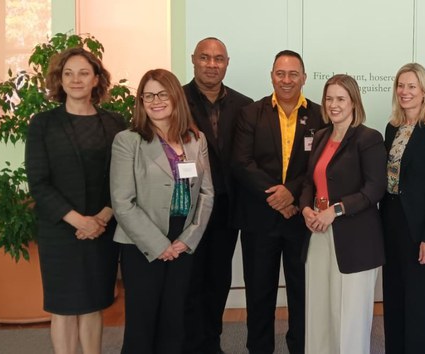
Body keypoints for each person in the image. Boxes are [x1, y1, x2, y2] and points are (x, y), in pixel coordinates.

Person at [25, 47, 126, 354]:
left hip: (102, 229)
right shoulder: (43, 124)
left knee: (94, 305)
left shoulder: (115, 123)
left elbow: (122, 178)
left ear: (97, 79)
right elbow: (38, 183)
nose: (75, 80)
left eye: (83, 73)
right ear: (59, 80)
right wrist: (79, 220)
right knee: (64, 309)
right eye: (68, 73)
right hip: (60, 231)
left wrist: (102, 218)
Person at [110, 69, 214, 354]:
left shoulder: (195, 139)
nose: (155, 101)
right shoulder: (127, 141)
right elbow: (122, 201)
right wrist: (159, 245)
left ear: (175, 97)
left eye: (162, 93)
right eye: (148, 95)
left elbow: (207, 193)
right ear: (141, 101)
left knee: (175, 320)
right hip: (142, 244)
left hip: (182, 242)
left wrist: (188, 239)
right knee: (142, 323)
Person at [232, 50, 324, 354]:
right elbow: (242, 163)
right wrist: (277, 196)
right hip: (260, 219)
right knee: (259, 295)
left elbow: (318, 164)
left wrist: (292, 194)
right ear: (272, 75)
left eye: (293, 74)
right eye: (280, 73)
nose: (286, 80)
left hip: (301, 218)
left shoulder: (320, 115)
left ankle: (301, 348)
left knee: (302, 293)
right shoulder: (251, 113)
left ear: (304, 77)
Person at [299, 74, 386, 354]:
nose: (333, 105)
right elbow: (308, 182)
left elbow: (374, 189)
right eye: (329, 98)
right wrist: (306, 209)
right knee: (319, 310)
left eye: (340, 99)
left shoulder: (369, 138)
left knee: (350, 318)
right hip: (319, 234)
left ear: (353, 102)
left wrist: (334, 211)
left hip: (355, 240)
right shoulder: (321, 135)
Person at [182, 37, 253, 354]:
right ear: (193, 60)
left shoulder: (245, 106)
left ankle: (211, 343)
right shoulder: (176, 100)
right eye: (205, 58)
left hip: (227, 207)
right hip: (187, 208)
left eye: (219, 59)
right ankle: (189, 344)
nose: (212, 64)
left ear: (227, 62)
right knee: (189, 280)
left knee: (218, 278)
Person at [380, 63, 425, 354]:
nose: (405, 92)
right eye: (401, 85)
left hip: (421, 228)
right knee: (395, 298)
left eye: (412, 86)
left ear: (424, 92)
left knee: (420, 304)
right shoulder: (392, 128)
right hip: (391, 221)